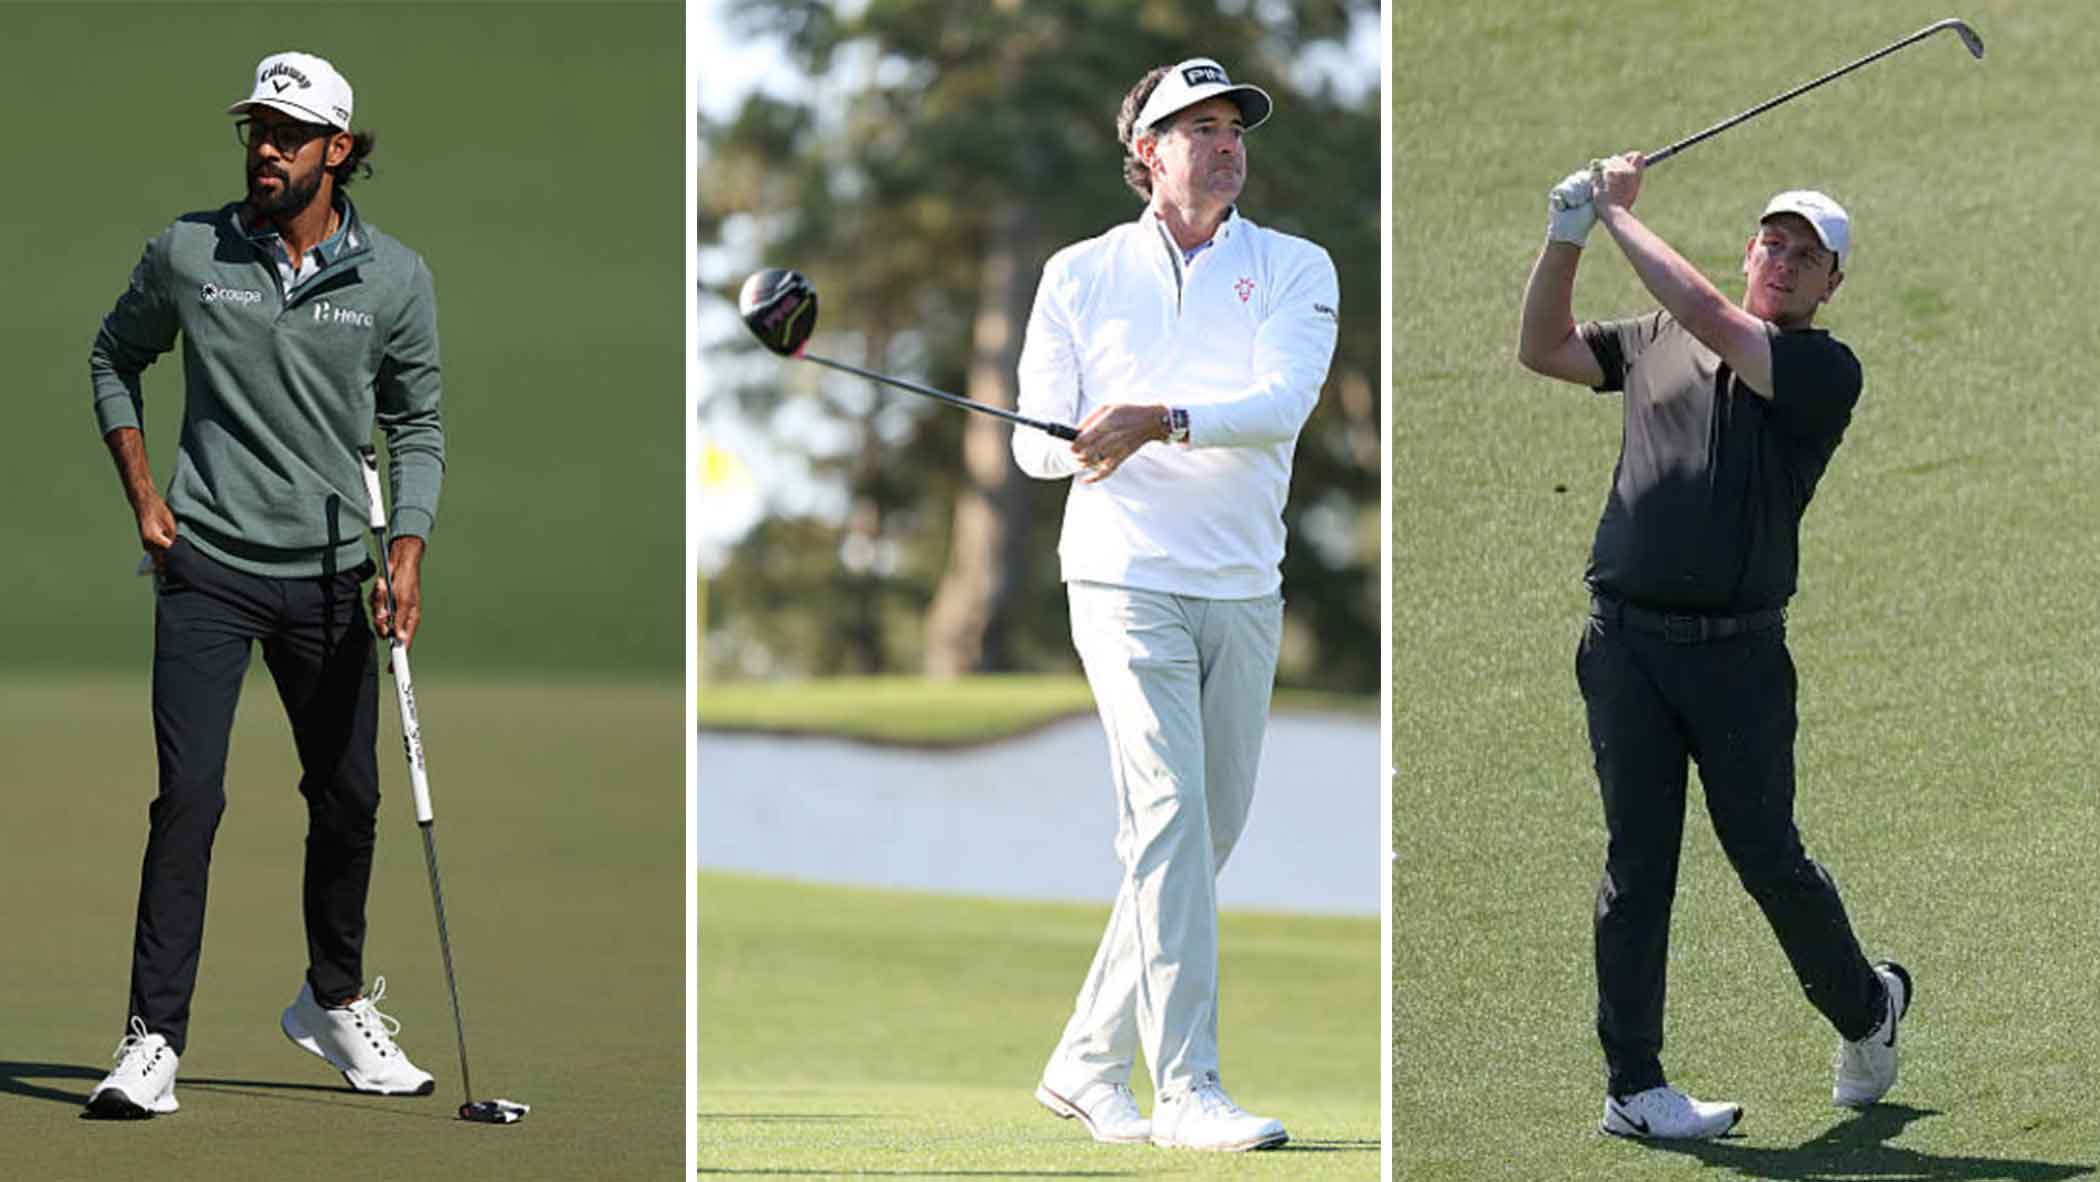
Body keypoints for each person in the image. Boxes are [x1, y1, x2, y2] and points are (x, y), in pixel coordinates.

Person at [1516, 152, 1910, 1139]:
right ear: (1748, 251)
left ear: (1831, 285)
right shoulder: (1653, 339)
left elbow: (1709, 315)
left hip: (1737, 659)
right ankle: (1634, 1088)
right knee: (1636, 866)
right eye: (1772, 243)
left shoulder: (1823, 370)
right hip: (1624, 647)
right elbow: (1544, 348)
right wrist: (1564, 236)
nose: (1783, 261)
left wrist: (1614, 214)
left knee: (1767, 857)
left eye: (1806, 256)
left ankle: (1868, 1012)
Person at [83, 51, 445, 1118]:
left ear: (339, 149)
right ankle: (152, 1042)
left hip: (334, 581)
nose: (267, 150)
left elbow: (417, 424)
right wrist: (144, 495)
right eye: (257, 130)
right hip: (206, 569)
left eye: (289, 134)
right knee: (189, 800)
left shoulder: (395, 279)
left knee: (350, 801)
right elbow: (113, 357)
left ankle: (332, 1002)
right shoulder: (189, 251)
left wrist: (408, 548)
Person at [1010, 57, 1339, 1153]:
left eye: (1233, 127)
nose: (1226, 144)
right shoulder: (1078, 272)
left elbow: (1283, 403)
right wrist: (1076, 442)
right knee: (1165, 821)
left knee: (1208, 830)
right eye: (1199, 129)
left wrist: (1156, 419)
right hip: (1123, 575)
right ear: (1147, 152)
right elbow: (1031, 442)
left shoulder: (1294, 267)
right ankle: (1187, 1088)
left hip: (1242, 582)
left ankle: (1083, 1062)